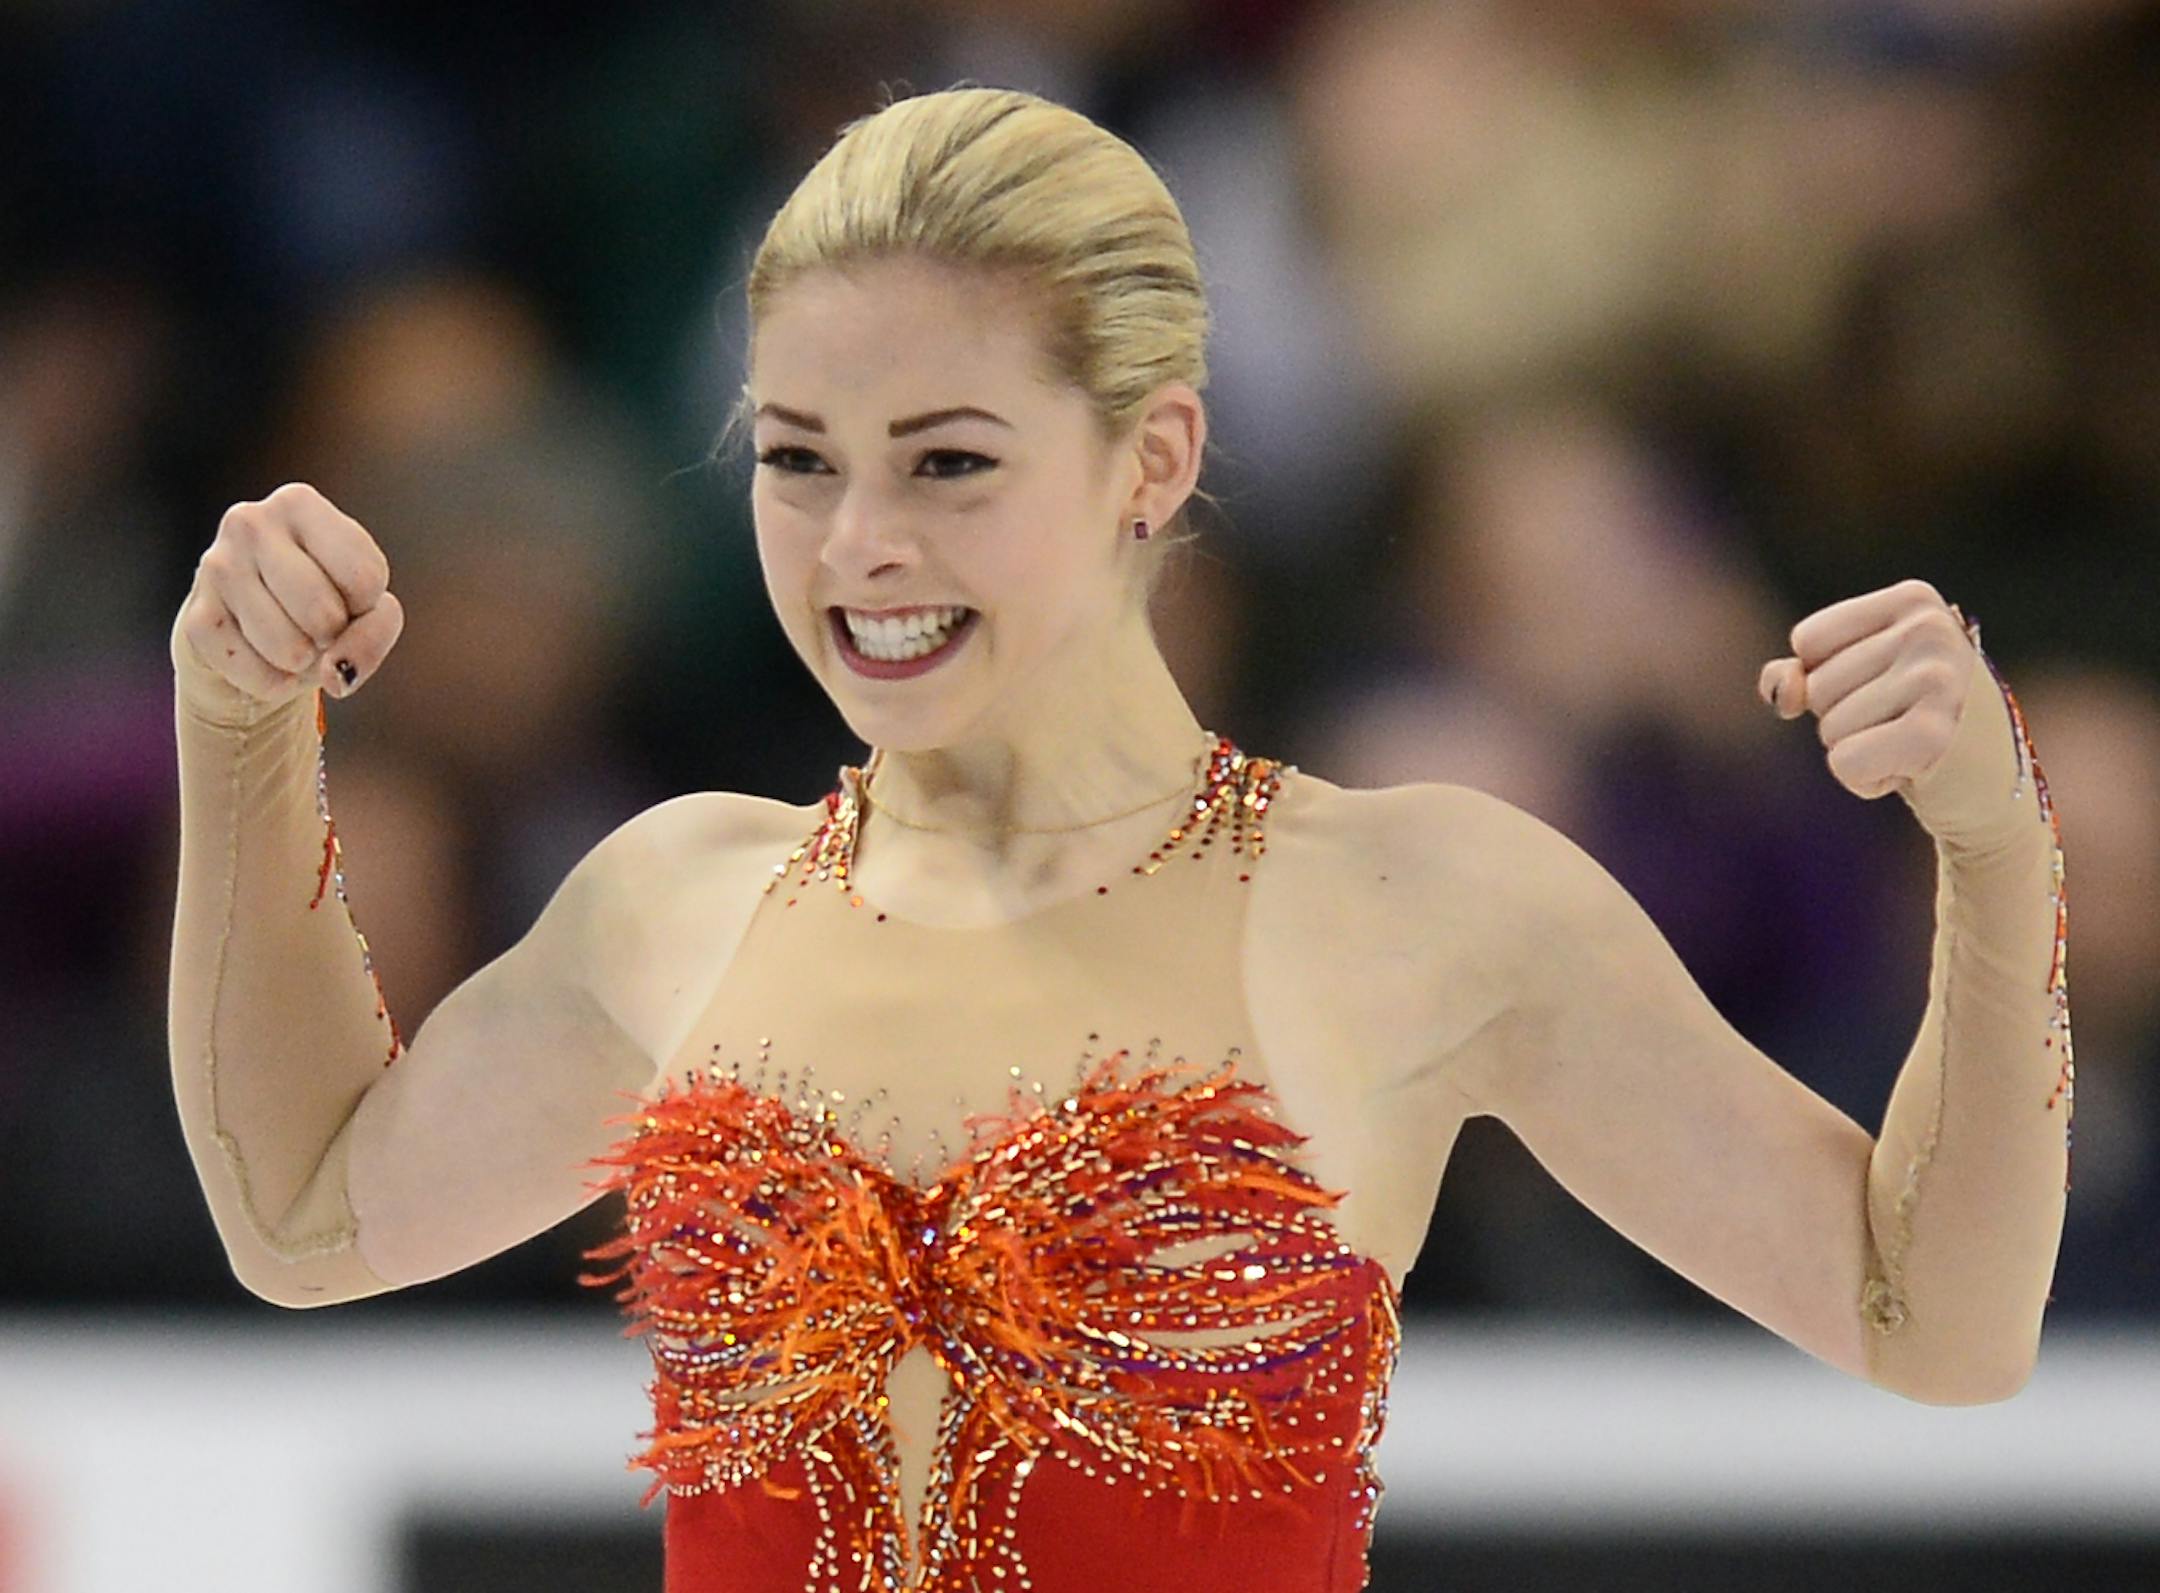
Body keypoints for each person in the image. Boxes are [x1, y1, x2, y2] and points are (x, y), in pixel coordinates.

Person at [166, 86, 2072, 1593]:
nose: (858, 546)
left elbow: (1934, 1319)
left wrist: (1999, 850)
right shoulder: (677, 897)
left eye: (949, 460)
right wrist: (239, 731)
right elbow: (303, 1215)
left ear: (1151, 459)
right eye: (800, 458)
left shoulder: (1417, 905)